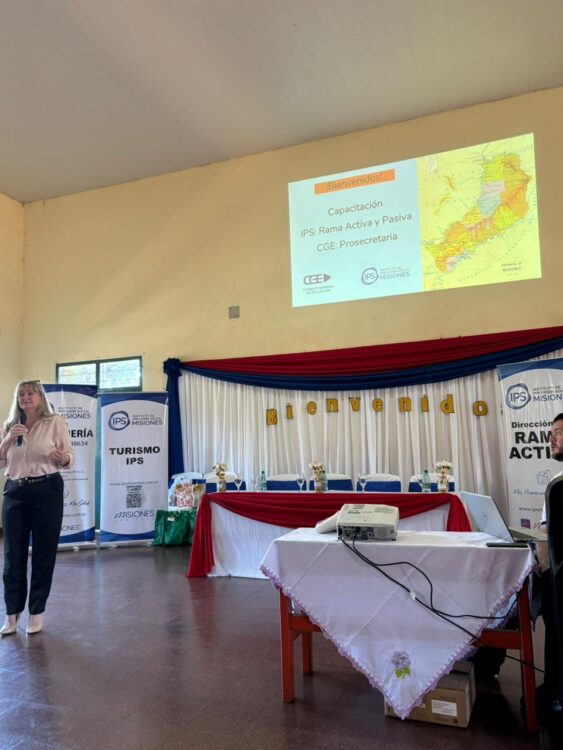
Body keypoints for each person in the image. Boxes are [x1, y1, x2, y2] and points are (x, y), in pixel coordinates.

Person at [0, 380, 73, 636]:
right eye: (21, 394)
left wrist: (63, 458)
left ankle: (36, 612)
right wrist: (8, 438)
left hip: (47, 490)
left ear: (40, 397)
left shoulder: (55, 422)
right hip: (15, 492)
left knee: (43, 553)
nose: (25, 397)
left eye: (30, 393)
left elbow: (68, 456)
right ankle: (11, 614)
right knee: (12, 555)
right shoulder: (10, 425)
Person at [535, 412, 563, 714]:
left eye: (558, 432)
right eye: (551, 433)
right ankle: (552, 684)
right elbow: (545, 529)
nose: (551, 439)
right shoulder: (556, 484)